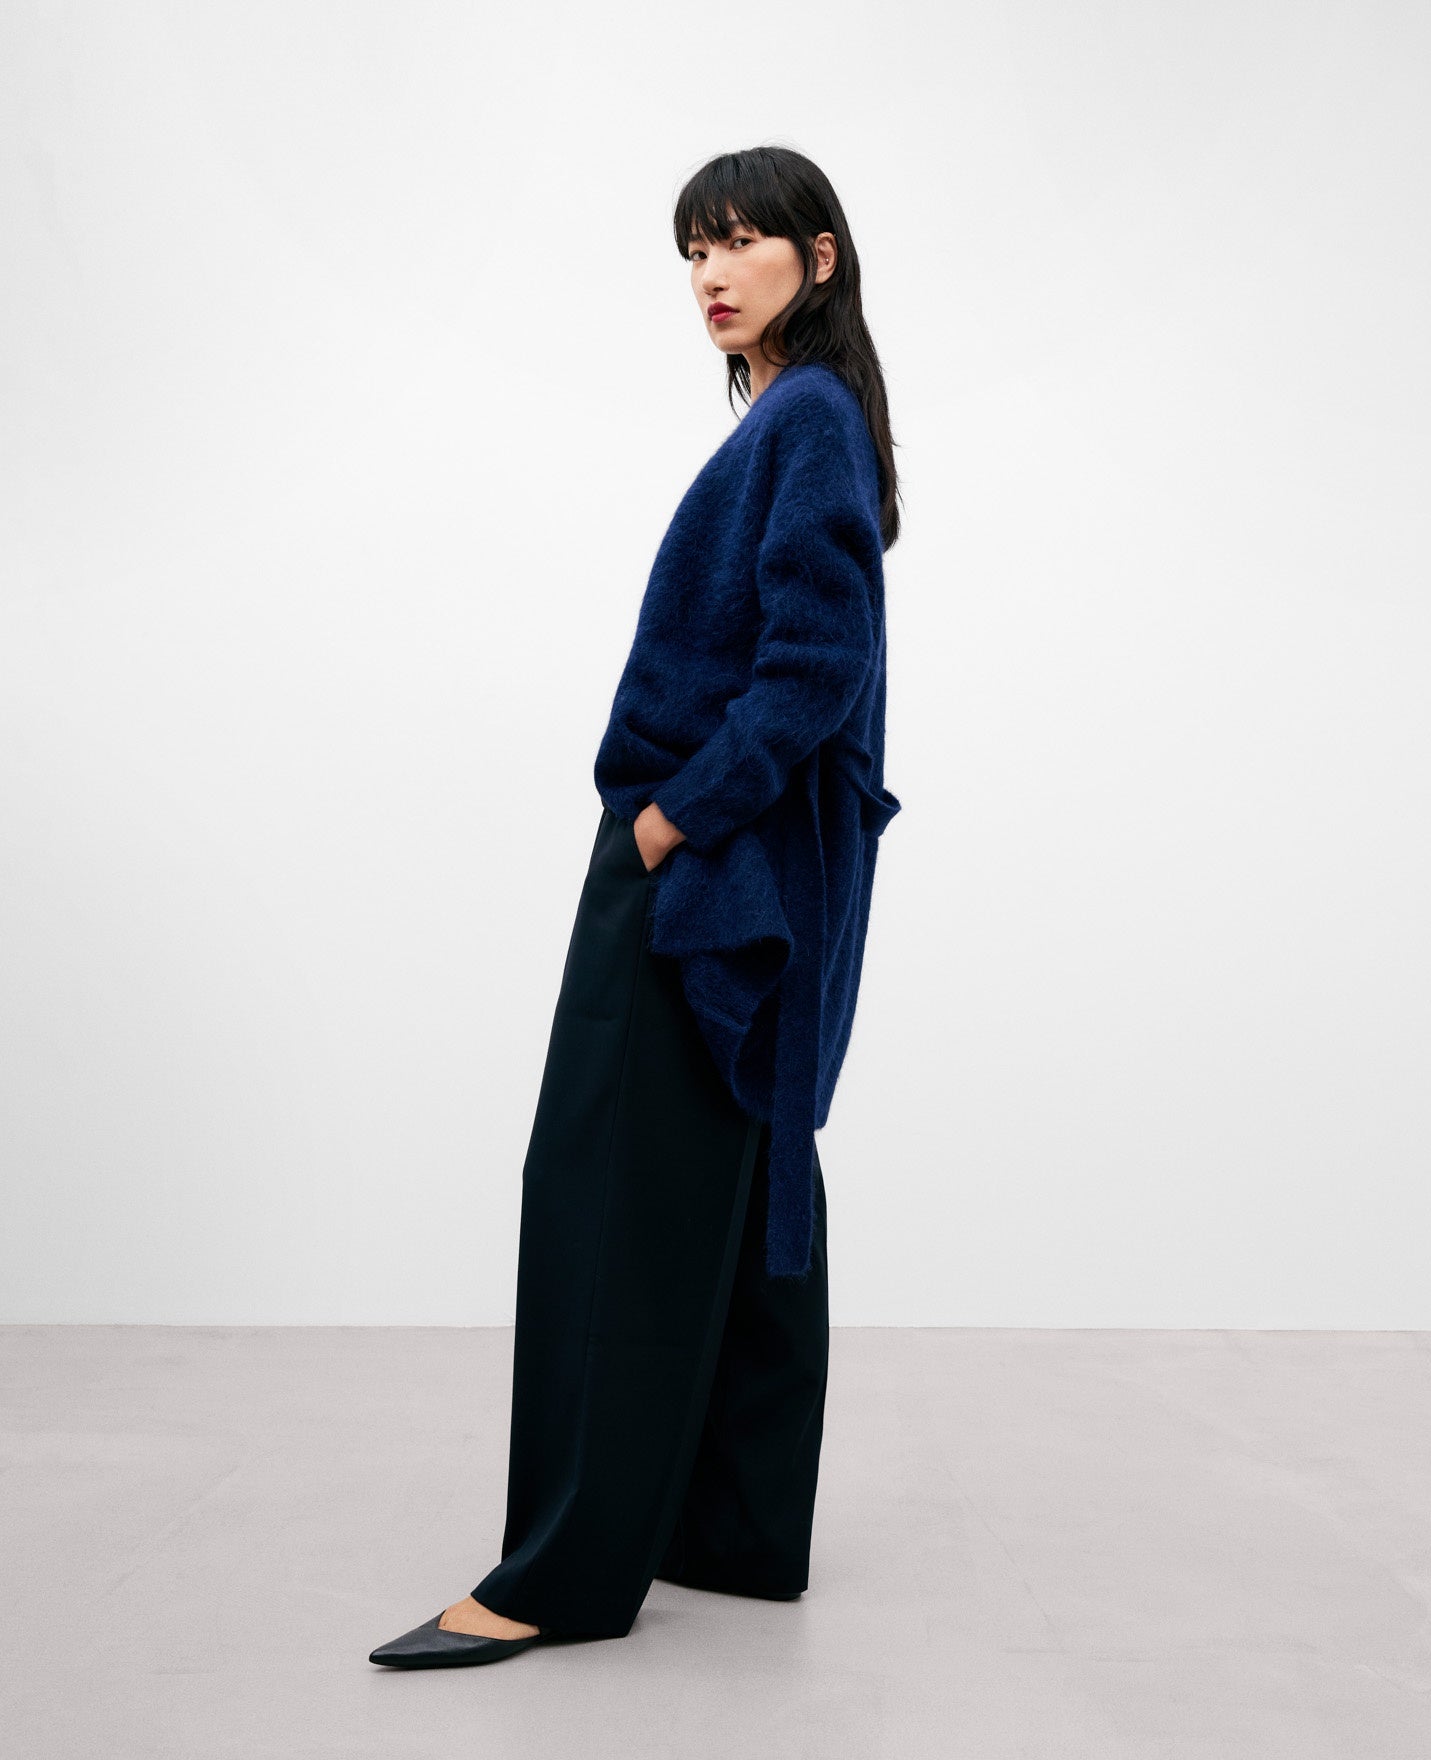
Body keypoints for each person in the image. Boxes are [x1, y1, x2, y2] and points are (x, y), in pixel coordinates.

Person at [369, 143, 903, 1671]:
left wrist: (670, 821)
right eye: (693, 253)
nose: (711, 277)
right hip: (748, 876)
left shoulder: (805, 419)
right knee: (734, 1187)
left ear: (819, 256)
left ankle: (559, 1575)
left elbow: (816, 668)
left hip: (707, 871)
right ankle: (730, 1532)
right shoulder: (815, 417)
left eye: (739, 244)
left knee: (611, 1198)